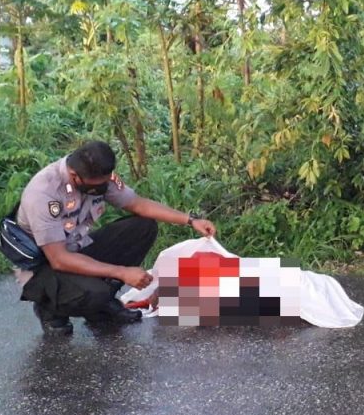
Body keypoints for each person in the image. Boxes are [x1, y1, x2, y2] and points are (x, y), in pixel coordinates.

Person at [16, 140, 216, 336]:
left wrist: (190, 220)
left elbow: (138, 205)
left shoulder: (100, 176)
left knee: (143, 227)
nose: (104, 187)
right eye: (98, 185)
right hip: (45, 267)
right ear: (75, 176)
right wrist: (122, 272)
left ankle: (102, 305)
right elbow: (59, 259)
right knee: (95, 292)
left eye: (106, 181)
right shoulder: (43, 194)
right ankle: (50, 308)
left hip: (75, 249)